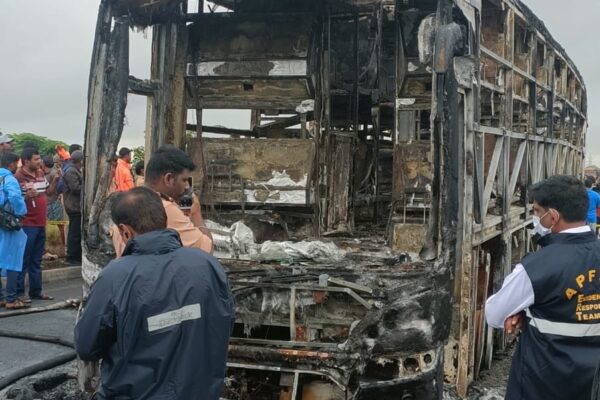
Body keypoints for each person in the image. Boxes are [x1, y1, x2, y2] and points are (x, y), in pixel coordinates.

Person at [75, 187, 235, 399]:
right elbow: (224, 323)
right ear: (164, 219)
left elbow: (87, 347)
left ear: (125, 231)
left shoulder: (115, 277)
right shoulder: (207, 264)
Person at [486, 175, 600, 400]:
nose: (536, 217)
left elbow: (494, 314)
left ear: (554, 216)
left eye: (538, 211)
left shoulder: (537, 267)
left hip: (542, 380)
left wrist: (522, 311)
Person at [111, 146, 213, 256]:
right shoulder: (165, 208)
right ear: (168, 179)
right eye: (184, 180)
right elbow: (206, 252)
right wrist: (196, 213)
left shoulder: (124, 204)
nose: (187, 187)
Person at [12, 147, 59, 303]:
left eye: (40, 159)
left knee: (36, 259)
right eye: (36, 159)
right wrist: (26, 196)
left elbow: (49, 192)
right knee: (24, 259)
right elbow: (13, 201)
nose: (40, 162)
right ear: (27, 161)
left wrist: (55, 180)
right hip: (27, 223)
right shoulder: (18, 177)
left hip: (40, 222)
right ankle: (19, 293)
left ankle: (36, 291)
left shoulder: (40, 174)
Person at [0, 153, 28, 309]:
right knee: (12, 260)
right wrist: (20, 212)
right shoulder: (10, 179)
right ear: (11, 164)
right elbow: (15, 198)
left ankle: (1, 298)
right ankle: (11, 299)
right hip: (8, 224)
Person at [63, 150, 83, 265]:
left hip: (76, 205)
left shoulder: (75, 170)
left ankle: (76, 256)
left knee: (76, 232)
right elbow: (75, 188)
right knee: (74, 233)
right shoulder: (71, 171)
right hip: (73, 205)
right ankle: (71, 257)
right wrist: (87, 187)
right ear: (80, 160)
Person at [42, 155, 63, 260]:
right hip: (53, 203)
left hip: (52, 203)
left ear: (44, 164)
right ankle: (59, 250)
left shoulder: (51, 174)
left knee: (53, 227)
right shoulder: (52, 173)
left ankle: (55, 250)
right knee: (58, 227)